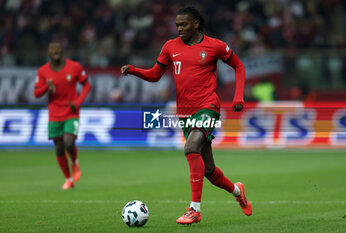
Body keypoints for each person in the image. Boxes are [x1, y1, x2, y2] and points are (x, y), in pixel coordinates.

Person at [121, 6, 252, 225]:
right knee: (209, 170)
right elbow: (155, 75)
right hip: (184, 112)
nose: (179, 28)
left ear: (196, 24)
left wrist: (238, 97)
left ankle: (194, 210)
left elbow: (238, 66)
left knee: (191, 148)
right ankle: (238, 191)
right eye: (177, 25)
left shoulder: (215, 46)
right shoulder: (170, 47)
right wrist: (133, 70)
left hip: (208, 106)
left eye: (184, 24)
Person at [34, 42, 91, 190]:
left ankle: (75, 162)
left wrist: (78, 102)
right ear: (48, 53)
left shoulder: (74, 67)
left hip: (71, 112)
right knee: (59, 149)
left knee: (69, 142)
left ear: (62, 51)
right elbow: (36, 93)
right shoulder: (43, 71)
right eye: (52, 49)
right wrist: (47, 86)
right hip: (54, 114)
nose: (56, 51)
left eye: (58, 49)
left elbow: (86, 85)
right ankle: (68, 179)